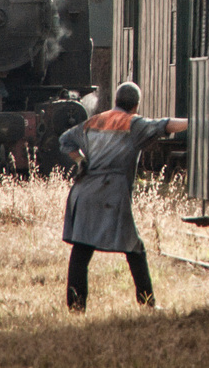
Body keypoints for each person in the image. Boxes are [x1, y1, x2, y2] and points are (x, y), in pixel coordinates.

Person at [60, 81, 187, 311]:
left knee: (80, 250)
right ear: (136, 105)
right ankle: (147, 303)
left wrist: (81, 160)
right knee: (134, 248)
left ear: (116, 101)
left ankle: (76, 308)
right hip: (111, 193)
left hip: (85, 191)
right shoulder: (134, 124)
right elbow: (166, 125)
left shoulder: (94, 121)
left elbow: (65, 140)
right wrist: (196, 123)